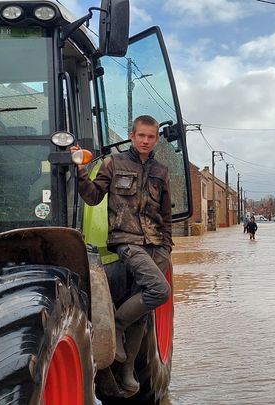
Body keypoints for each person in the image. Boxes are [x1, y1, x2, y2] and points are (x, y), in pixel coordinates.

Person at [71, 115, 172, 394]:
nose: (145, 141)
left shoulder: (161, 171)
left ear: (155, 140)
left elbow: (165, 214)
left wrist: (167, 248)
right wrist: (80, 171)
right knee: (159, 291)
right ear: (132, 135)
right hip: (127, 242)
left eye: (151, 137)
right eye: (141, 135)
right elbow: (92, 197)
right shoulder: (113, 164)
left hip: (155, 245)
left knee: (142, 313)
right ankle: (115, 324)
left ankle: (127, 371)